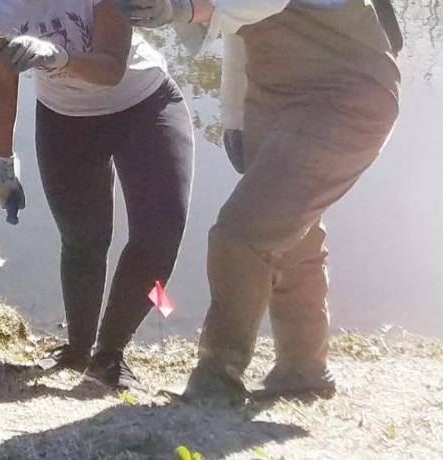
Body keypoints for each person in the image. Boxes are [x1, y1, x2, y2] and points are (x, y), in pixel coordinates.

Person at [117, 0, 401, 406]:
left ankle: (218, 373)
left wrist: (184, 7)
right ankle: (303, 369)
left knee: (242, 233)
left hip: (346, 99)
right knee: (292, 237)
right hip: (274, 95)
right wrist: (233, 116)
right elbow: (237, 32)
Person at [0, 0, 195, 389]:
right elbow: (1, 78)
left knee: (159, 237)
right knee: (83, 240)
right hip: (66, 120)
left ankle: (110, 355)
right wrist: (3, 162)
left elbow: (111, 68)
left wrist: (57, 56)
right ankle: (76, 350)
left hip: (145, 105)